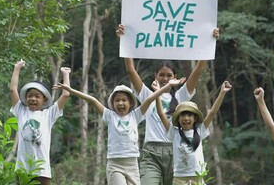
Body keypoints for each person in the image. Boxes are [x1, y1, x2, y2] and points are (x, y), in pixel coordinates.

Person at [116, 24, 220, 185]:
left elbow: (198, 70)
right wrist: (124, 39)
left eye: (169, 75)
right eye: (161, 75)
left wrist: (210, 41)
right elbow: (131, 70)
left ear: (175, 77)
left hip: (176, 152)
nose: (165, 78)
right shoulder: (147, 95)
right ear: (155, 76)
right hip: (151, 152)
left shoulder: (181, 95)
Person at [52, 77, 186, 185]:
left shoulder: (136, 115)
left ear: (131, 103)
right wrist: (71, 90)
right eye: (117, 100)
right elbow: (92, 100)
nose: (120, 103)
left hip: (132, 163)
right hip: (115, 164)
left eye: (124, 100)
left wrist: (168, 87)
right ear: (113, 103)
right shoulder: (110, 116)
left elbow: (150, 98)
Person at [155, 80, 232, 185]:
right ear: (178, 118)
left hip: (198, 178)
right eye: (183, 115)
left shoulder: (200, 130)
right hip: (179, 179)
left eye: (189, 115)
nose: (186, 118)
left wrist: (222, 92)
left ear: (195, 118)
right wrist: (157, 92)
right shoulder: (174, 132)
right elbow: (160, 113)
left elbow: (213, 112)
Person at [9, 59, 71, 185]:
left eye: (37, 96)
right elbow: (12, 90)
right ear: (25, 98)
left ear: (44, 100)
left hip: (42, 168)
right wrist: (17, 68)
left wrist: (65, 75)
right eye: (30, 95)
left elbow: (65, 95)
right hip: (23, 168)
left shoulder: (48, 115)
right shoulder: (21, 111)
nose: (33, 99)